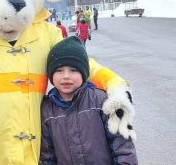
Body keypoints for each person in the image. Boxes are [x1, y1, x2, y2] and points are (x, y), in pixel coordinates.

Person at [40, 36, 138, 165]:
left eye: (73, 70)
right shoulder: (46, 109)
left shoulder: (102, 101)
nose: (66, 76)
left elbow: (123, 148)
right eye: (59, 70)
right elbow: (47, 155)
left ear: (84, 73)